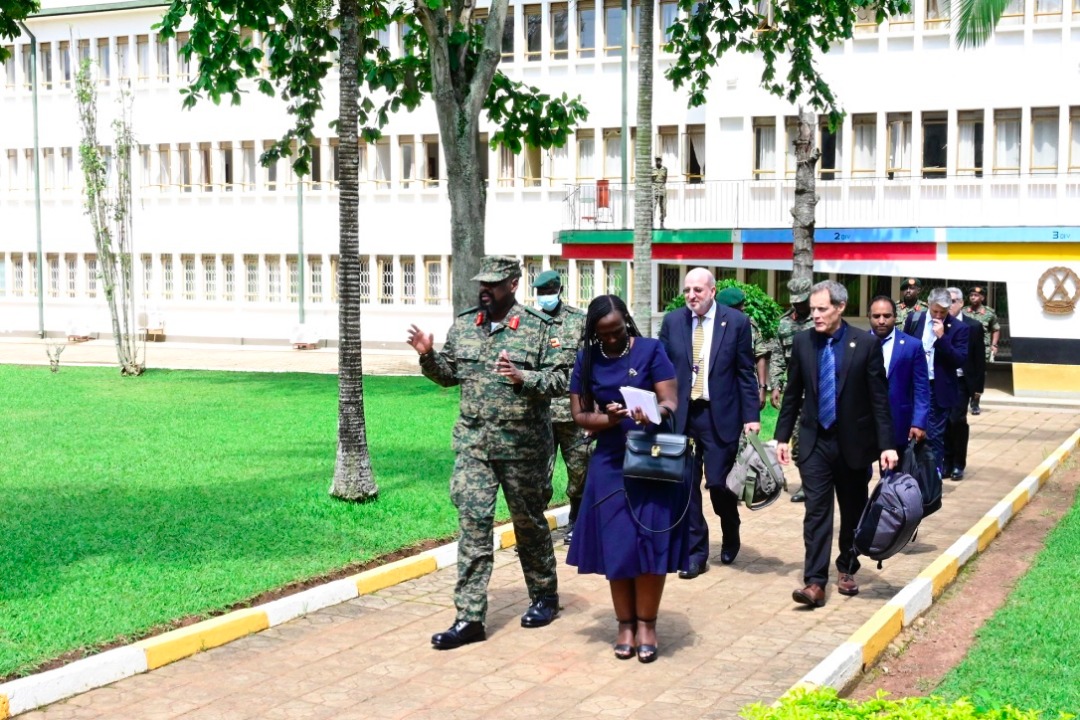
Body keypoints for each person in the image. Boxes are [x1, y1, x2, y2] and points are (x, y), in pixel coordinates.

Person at [407, 255, 574, 650]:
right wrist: (427, 356)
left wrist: (523, 377)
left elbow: (562, 378)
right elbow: (449, 376)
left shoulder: (537, 328)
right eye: (482, 283)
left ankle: (544, 595)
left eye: (493, 285)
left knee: (528, 524)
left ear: (513, 284)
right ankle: (468, 618)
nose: (485, 290)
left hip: (523, 448)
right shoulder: (465, 326)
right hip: (474, 446)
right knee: (473, 526)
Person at [567, 295, 688, 663]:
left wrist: (650, 413)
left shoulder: (651, 350)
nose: (613, 339)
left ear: (627, 323)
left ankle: (648, 624)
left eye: (617, 331)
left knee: (650, 541)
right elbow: (581, 415)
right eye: (605, 335)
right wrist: (612, 419)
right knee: (619, 543)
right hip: (610, 462)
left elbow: (670, 401)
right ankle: (625, 625)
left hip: (651, 459)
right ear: (594, 333)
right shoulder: (586, 359)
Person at [775, 280, 897, 608]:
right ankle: (814, 581)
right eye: (812, 309)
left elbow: (879, 400)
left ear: (840, 308)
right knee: (817, 513)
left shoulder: (865, 344)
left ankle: (847, 566)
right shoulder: (803, 343)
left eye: (821, 309)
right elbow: (793, 394)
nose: (814, 315)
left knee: (853, 510)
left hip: (854, 445)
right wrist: (782, 437)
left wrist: (886, 445)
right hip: (815, 443)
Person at [659, 269, 760, 579]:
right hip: (682, 416)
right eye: (688, 289)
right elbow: (660, 367)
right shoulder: (673, 321)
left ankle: (731, 529)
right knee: (686, 486)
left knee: (718, 483)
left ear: (713, 291)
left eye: (698, 290)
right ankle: (695, 553)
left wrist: (752, 417)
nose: (692, 295)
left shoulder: (737, 322)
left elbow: (745, 372)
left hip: (720, 416)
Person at [531, 269, 590, 543]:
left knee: (580, 471)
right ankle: (534, 532)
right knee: (537, 477)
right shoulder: (528, 323)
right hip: (539, 413)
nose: (544, 298)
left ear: (559, 291)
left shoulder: (579, 321)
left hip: (573, 411)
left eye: (548, 293)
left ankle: (577, 521)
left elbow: (589, 365)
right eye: (540, 294)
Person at [903, 287, 969, 479]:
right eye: (935, 311)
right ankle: (910, 475)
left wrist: (942, 338)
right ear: (928, 305)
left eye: (943, 312)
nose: (938, 315)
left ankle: (933, 477)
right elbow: (905, 346)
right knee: (908, 431)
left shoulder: (959, 328)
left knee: (933, 436)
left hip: (937, 388)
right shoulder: (914, 319)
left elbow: (959, 359)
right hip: (913, 385)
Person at [768, 277, 815, 502]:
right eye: (795, 302)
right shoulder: (783, 324)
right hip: (795, 394)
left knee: (814, 441)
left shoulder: (820, 321)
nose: (799, 306)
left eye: (803, 301)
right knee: (796, 443)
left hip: (818, 394)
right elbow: (777, 357)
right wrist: (775, 385)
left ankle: (814, 483)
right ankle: (808, 483)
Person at [868, 295, 929, 451]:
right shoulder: (857, 343)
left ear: (895, 317)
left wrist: (919, 422)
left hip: (899, 422)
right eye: (876, 316)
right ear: (869, 317)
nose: (881, 321)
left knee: (895, 474)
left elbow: (921, 388)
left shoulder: (912, 346)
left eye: (887, 316)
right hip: (865, 422)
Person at [942, 287, 985, 481]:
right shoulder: (935, 323)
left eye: (951, 301)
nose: (948, 305)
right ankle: (946, 462)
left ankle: (959, 463)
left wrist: (978, 389)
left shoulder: (973, 326)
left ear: (960, 303)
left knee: (956, 420)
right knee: (942, 422)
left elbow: (979, 359)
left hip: (960, 380)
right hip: (941, 379)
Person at [717, 286, 770, 410]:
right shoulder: (714, 326)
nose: (744, 308)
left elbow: (760, 354)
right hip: (720, 386)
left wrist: (762, 387)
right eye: (740, 306)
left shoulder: (750, 324)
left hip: (745, 386)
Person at [963, 285, 1000, 416]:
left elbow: (995, 329)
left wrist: (994, 345)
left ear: (982, 298)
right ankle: (964, 399)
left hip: (981, 350)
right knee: (965, 374)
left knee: (979, 375)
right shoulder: (963, 312)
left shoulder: (989, 313)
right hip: (965, 348)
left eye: (976, 295)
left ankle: (975, 402)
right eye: (971, 295)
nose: (973, 297)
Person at [652, 156, 668, 229]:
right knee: (653, 206)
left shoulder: (665, 169)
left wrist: (662, 186)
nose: (658, 161)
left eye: (659, 160)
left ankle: (662, 222)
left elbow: (665, 179)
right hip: (654, 188)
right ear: (655, 161)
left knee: (663, 206)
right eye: (657, 160)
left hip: (662, 187)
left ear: (661, 161)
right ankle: (651, 222)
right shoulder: (652, 169)